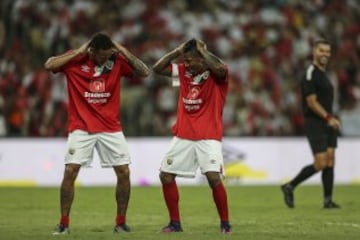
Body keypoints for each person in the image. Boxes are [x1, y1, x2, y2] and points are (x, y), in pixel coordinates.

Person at [44, 32, 150, 234]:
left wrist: (121, 49)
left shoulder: (116, 60)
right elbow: (49, 65)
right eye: (100, 55)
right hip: (81, 128)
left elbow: (144, 72)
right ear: (91, 50)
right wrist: (80, 50)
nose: (103, 60)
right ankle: (64, 224)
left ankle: (120, 222)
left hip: (110, 128)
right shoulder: (75, 59)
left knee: (124, 173)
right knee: (70, 172)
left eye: (106, 55)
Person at [152, 39, 232, 234]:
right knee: (166, 175)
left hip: (208, 136)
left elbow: (221, 69)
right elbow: (157, 68)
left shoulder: (216, 76)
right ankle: (175, 223)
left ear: (202, 60)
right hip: (183, 135)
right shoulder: (183, 74)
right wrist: (176, 51)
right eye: (184, 61)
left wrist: (203, 51)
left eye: (190, 61)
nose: (186, 65)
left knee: (213, 178)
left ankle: (225, 224)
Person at [281, 39, 341, 209]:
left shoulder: (324, 74)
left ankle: (328, 200)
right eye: (322, 50)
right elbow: (312, 102)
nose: (325, 54)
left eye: (328, 51)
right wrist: (329, 117)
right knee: (321, 162)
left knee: (330, 160)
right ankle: (289, 186)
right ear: (314, 51)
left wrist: (331, 119)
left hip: (329, 122)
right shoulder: (310, 73)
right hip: (315, 122)